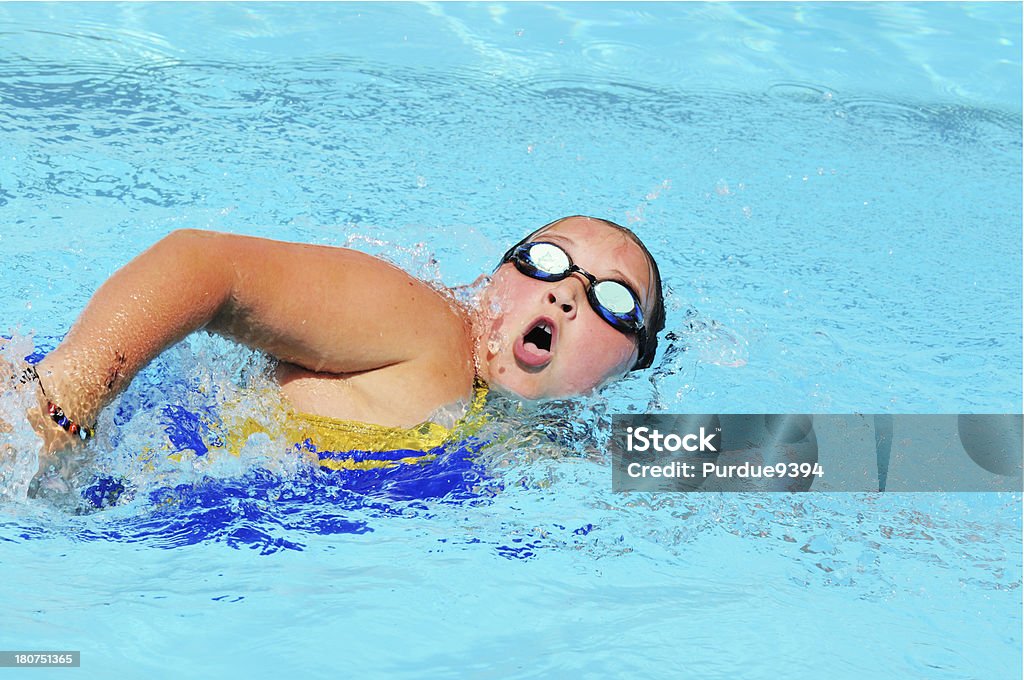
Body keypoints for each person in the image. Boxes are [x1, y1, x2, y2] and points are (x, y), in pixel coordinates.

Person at [5, 215, 665, 492]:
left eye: (615, 300)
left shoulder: (547, 439)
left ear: (624, 367)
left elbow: (756, 462)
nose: (568, 292)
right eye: (546, 261)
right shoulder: (427, 329)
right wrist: (66, 395)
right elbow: (204, 264)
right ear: (496, 281)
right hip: (44, 445)